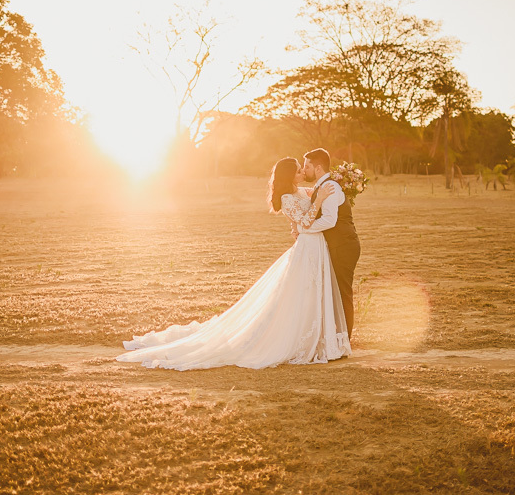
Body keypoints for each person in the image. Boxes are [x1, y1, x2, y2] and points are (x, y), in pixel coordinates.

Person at [116, 157, 351, 370]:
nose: (302, 172)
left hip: (317, 247)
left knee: (311, 294)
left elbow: (321, 188)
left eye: (303, 169)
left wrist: (341, 184)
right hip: (307, 247)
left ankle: (318, 338)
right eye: (299, 170)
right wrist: (318, 201)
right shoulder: (287, 199)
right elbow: (305, 223)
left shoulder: (300, 191)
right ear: (290, 175)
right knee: (299, 294)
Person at [298, 148, 361, 338]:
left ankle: (344, 340)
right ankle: (336, 337)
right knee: (334, 293)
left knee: (342, 293)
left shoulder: (331, 188)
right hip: (337, 245)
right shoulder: (321, 186)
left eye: (307, 166)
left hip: (343, 246)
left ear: (317, 168)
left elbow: (329, 220)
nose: (304, 170)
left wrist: (304, 229)